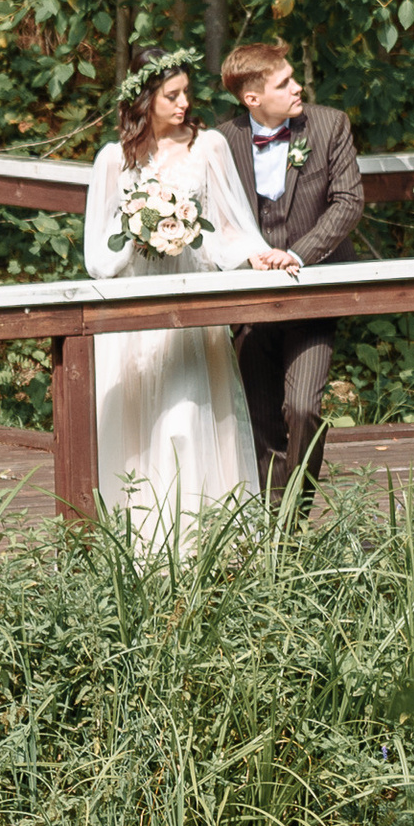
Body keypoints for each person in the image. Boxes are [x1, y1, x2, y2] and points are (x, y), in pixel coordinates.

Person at [84, 47, 300, 547]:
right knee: (140, 423)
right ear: (145, 99)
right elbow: (98, 256)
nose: (184, 103)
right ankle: (138, 544)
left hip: (193, 302)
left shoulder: (208, 147)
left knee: (185, 415)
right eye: (172, 95)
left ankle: (199, 544)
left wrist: (259, 255)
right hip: (137, 307)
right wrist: (138, 229)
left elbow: (230, 226)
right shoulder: (113, 161)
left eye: (186, 93)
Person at [218, 39, 365, 514]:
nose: (298, 86)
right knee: (260, 421)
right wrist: (247, 260)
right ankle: (271, 534)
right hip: (249, 301)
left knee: (302, 408)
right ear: (252, 98)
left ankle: (292, 520)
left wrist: (298, 255)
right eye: (284, 83)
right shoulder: (221, 142)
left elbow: (348, 202)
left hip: (312, 293)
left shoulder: (329, 125)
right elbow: (214, 218)